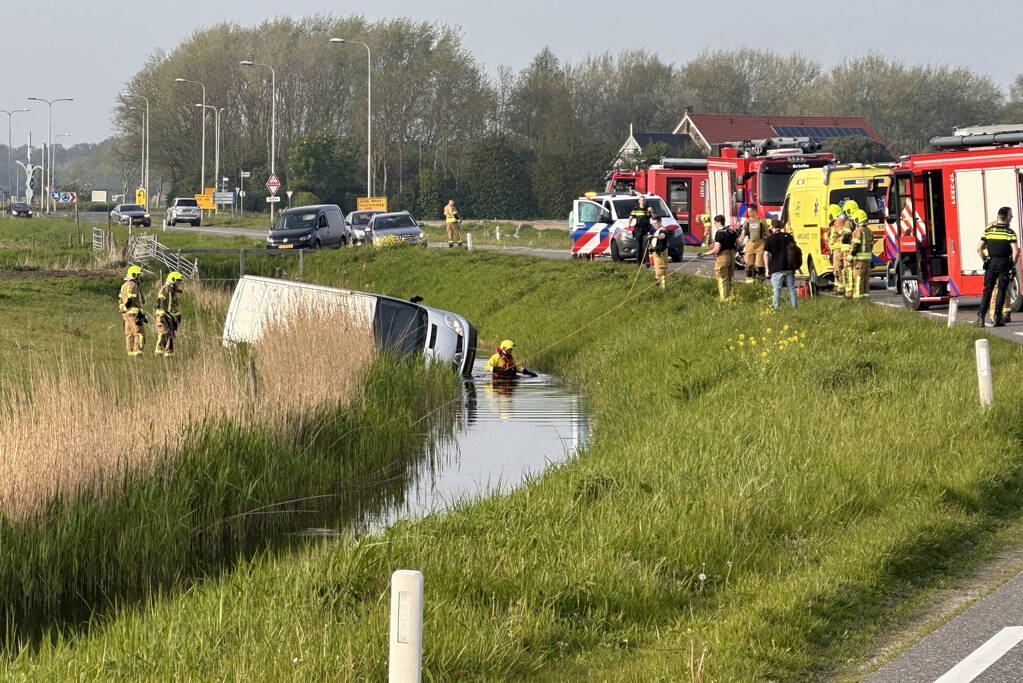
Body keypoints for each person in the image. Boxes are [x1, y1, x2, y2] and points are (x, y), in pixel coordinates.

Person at [976, 206, 1019, 328]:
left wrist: (985, 260)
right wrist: (1012, 265)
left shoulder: (988, 231)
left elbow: (979, 248)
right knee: (1001, 291)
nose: (1012, 217)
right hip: (1004, 263)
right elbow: (1015, 252)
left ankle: (980, 318)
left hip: (991, 264)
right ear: (1006, 217)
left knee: (987, 291)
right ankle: (997, 318)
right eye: (1011, 215)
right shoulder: (1009, 232)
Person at [703, 215, 744, 301]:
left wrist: (704, 254)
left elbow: (716, 249)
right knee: (729, 278)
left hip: (723, 257)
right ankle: (730, 296)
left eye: (715, 223)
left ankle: (724, 299)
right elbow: (739, 243)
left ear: (719, 222)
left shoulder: (719, 233)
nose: (714, 224)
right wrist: (735, 251)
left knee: (722, 279)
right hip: (732, 256)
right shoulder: (731, 231)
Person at [764, 221, 798, 309]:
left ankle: (776, 308)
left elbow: (766, 254)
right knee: (791, 289)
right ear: (781, 227)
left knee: (777, 290)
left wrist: (767, 269)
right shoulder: (788, 237)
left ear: (772, 228)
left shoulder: (770, 239)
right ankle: (794, 307)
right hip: (789, 267)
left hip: (776, 268)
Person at [118, 265, 146, 357]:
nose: (139, 277)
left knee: (129, 334)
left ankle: (130, 353)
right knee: (139, 334)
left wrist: (124, 309)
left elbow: (120, 300)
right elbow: (131, 298)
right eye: (138, 275)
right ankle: (138, 353)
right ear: (134, 275)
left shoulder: (123, 285)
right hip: (134, 313)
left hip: (126, 314)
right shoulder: (133, 285)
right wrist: (139, 313)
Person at [155, 271, 184, 357]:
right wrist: (163, 315)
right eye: (178, 281)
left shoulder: (173, 290)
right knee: (163, 334)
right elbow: (160, 303)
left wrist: (176, 316)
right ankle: (159, 354)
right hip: (163, 316)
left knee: (171, 335)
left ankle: (169, 355)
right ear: (173, 280)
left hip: (170, 316)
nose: (179, 283)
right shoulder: (165, 289)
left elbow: (173, 305)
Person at [741, 205, 767, 284]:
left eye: (750, 211)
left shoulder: (762, 221)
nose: (748, 213)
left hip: (760, 244)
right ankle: (750, 285)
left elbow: (767, 233)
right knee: (749, 266)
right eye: (748, 211)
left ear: (755, 211)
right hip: (750, 244)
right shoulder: (747, 222)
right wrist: (738, 242)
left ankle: (760, 285)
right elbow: (743, 234)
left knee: (760, 266)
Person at [825, 204, 846, 294]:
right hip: (835, 250)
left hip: (838, 250)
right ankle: (838, 286)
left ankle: (840, 288)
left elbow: (843, 235)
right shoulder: (836, 222)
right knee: (837, 269)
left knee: (838, 269)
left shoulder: (838, 222)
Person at [647, 217, 673, 290]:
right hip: (656, 252)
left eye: (655, 223)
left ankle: (662, 287)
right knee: (656, 270)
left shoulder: (662, 230)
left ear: (660, 222)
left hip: (660, 254)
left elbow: (662, 236)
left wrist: (654, 236)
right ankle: (661, 287)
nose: (654, 225)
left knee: (660, 271)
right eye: (653, 224)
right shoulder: (657, 230)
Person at [630, 196, 653, 266]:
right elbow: (630, 217)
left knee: (645, 246)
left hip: (646, 229)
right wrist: (629, 225)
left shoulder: (648, 208)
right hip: (638, 229)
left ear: (645, 201)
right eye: (641, 200)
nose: (642, 201)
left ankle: (647, 262)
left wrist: (652, 211)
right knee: (639, 246)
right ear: (639, 201)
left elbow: (654, 217)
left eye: (644, 200)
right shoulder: (636, 208)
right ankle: (638, 262)